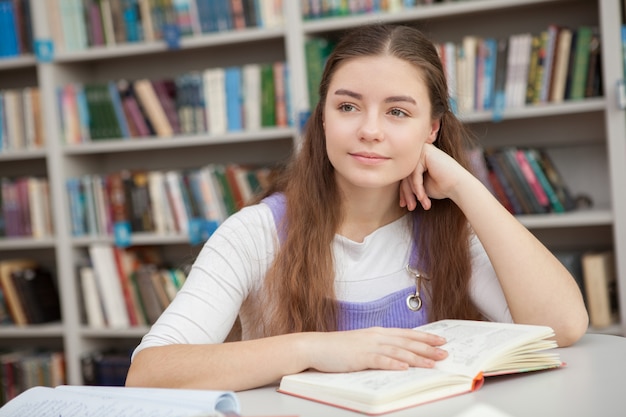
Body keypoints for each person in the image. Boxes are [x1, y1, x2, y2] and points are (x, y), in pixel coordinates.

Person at [126, 24, 588, 392]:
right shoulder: (254, 233)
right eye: (348, 107)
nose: (369, 130)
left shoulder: (450, 228)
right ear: (323, 117)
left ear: (432, 128)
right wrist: (313, 349)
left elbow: (562, 326)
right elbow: (149, 372)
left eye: (398, 112)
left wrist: (467, 187)